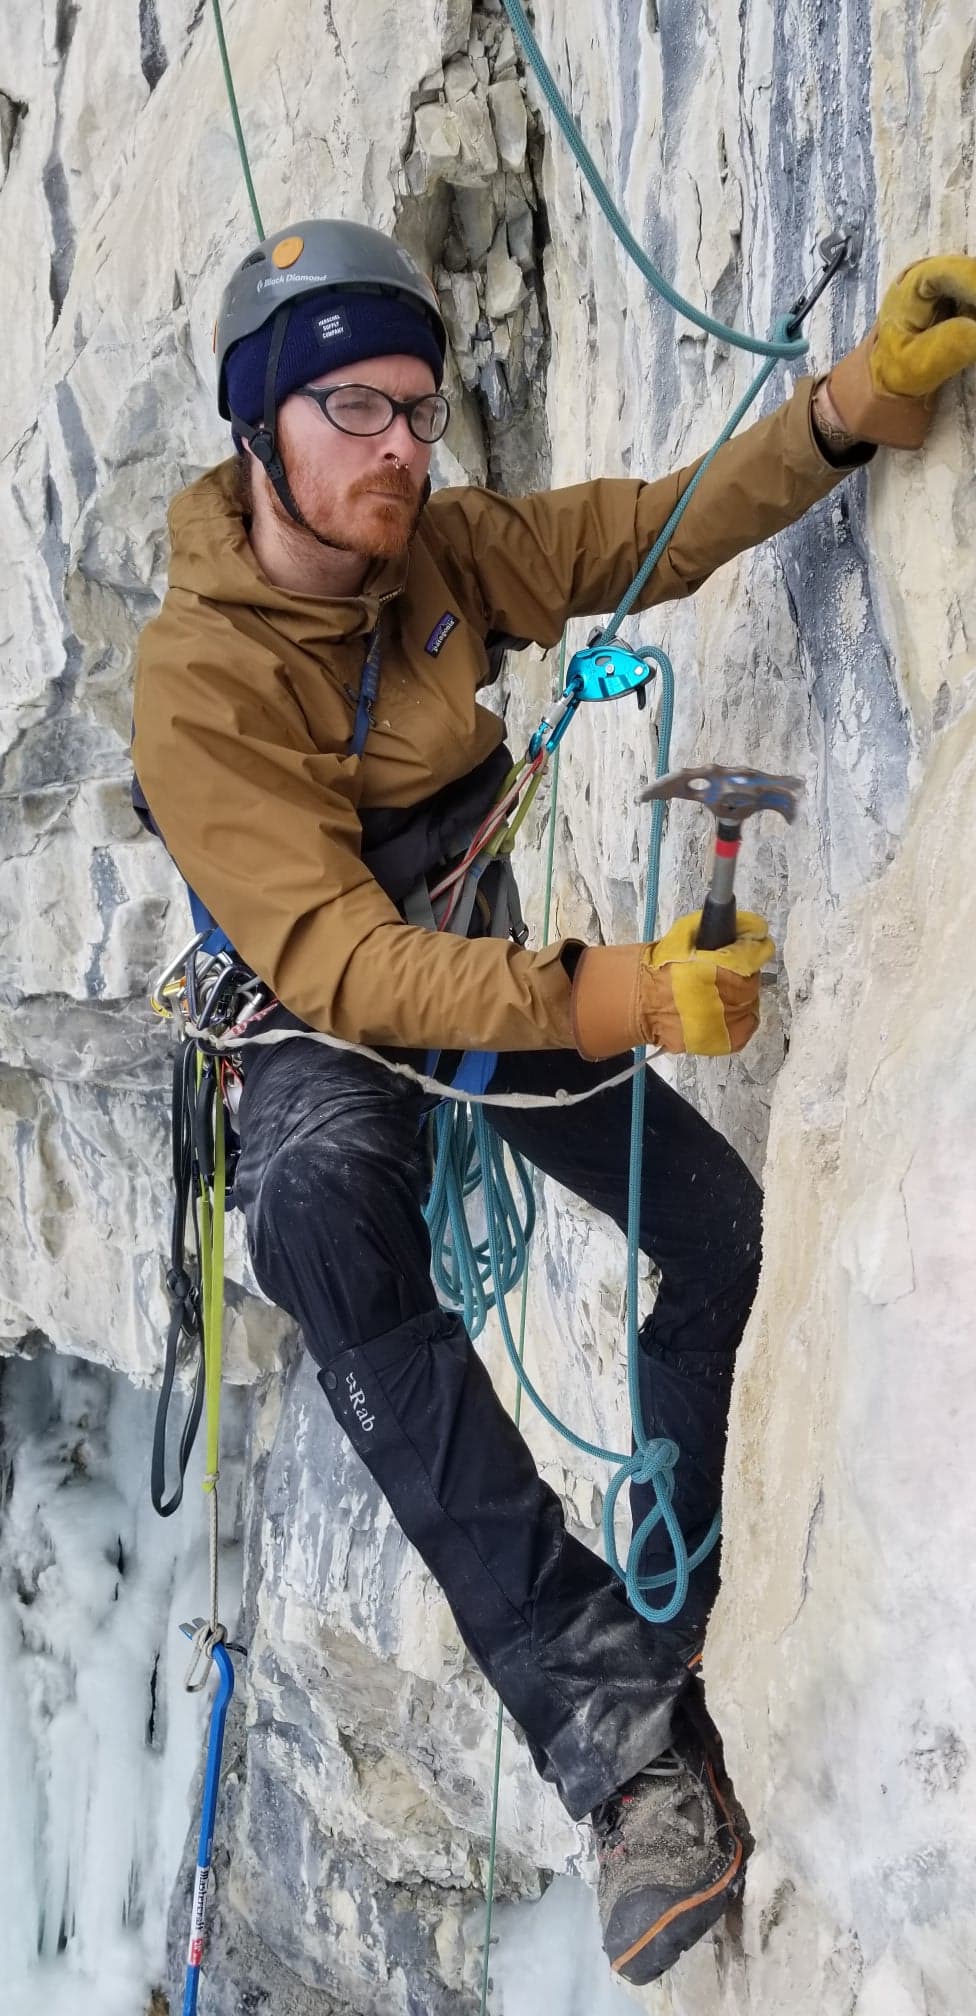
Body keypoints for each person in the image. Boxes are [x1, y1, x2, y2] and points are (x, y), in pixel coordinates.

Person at [132, 222, 976, 1985]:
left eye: (420, 412)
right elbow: (343, 965)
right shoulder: (200, 680)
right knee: (316, 1212)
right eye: (352, 407)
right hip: (321, 1023)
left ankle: (676, 1599)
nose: (398, 450)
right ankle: (621, 1748)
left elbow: (635, 533)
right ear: (260, 427)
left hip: (478, 960)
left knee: (722, 1232)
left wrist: (846, 407)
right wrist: (615, 995)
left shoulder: (440, 551)